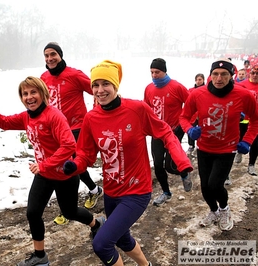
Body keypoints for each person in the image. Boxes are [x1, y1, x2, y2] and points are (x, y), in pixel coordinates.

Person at [63, 60, 192, 266]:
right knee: (122, 238)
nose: (100, 90)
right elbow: (85, 154)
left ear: (115, 86)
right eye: (95, 85)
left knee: (102, 244)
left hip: (136, 191)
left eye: (106, 84)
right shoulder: (91, 118)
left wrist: (182, 162)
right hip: (112, 191)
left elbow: (166, 132)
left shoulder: (137, 109)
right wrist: (75, 166)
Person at [0, 76, 104, 266]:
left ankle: (96, 224)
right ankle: (40, 257)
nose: (29, 97)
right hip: (45, 175)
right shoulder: (26, 117)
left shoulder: (54, 116)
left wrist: (44, 165)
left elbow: (69, 145)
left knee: (69, 212)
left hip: (65, 174)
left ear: (43, 93)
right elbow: (4, 123)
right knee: (32, 213)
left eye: (33, 92)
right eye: (25, 94)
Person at [179, 58, 258, 231]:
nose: (219, 78)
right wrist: (190, 130)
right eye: (215, 74)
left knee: (215, 184)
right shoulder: (198, 94)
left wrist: (247, 141)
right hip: (204, 147)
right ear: (210, 75)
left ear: (232, 76)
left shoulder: (244, 95)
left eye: (224, 74)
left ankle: (225, 210)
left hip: (227, 148)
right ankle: (214, 211)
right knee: (205, 187)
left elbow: (255, 121)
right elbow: (183, 117)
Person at [41, 42, 103, 225]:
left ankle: (68, 209)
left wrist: (96, 109)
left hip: (76, 128)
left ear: (60, 55)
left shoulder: (74, 75)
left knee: (69, 165)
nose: (50, 58)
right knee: (68, 165)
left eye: (53, 54)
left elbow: (95, 89)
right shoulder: (43, 77)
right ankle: (93, 190)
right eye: (46, 55)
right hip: (56, 129)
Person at [143, 58, 192, 207]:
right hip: (157, 131)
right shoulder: (149, 88)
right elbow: (145, 109)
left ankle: (184, 173)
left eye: (157, 72)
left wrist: (184, 123)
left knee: (170, 165)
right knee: (157, 164)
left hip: (174, 130)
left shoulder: (176, 87)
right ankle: (166, 193)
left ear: (164, 71)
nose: (154, 75)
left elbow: (191, 104)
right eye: (151, 72)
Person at [239, 64, 258, 176]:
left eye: (257, 73)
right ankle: (238, 153)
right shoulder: (242, 85)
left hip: (256, 120)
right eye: (253, 73)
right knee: (239, 137)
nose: (255, 75)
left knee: (255, 143)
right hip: (243, 118)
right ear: (249, 74)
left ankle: (251, 165)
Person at [187, 73, 205, 155]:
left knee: (203, 130)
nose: (198, 81)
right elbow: (187, 102)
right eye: (197, 80)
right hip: (193, 114)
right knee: (191, 129)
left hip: (203, 114)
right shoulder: (191, 90)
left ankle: (201, 145)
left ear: (203, 80)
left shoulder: (207, 89)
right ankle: (191, 145)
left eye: (200, 80)